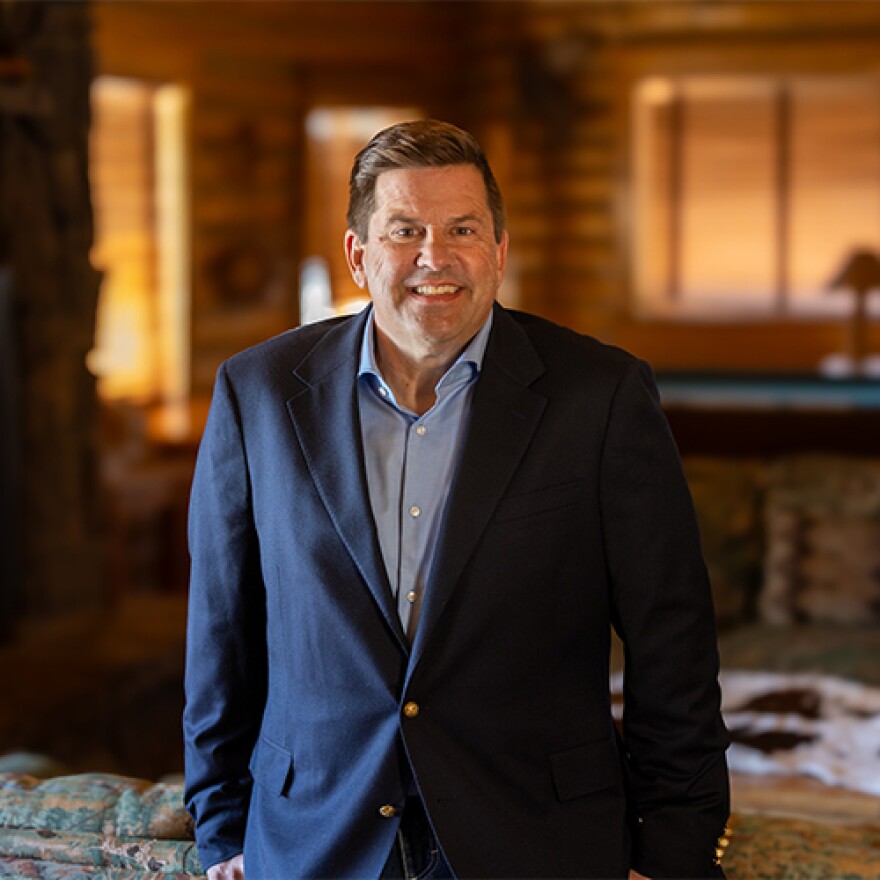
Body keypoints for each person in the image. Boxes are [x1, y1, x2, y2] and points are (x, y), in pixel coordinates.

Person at [184, 119, 730, 880]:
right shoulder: (259, 392)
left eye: (462, 229)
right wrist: (223, 827)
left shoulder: (601, 396)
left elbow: (672, 642)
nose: (434, 258)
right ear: (358, 254)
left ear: (499, 251)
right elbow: (221, 630)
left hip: (539, 840)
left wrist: (673, 851)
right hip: (312, 842)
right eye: (404, 230)